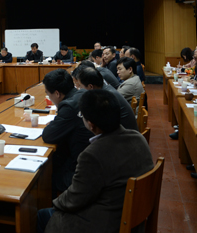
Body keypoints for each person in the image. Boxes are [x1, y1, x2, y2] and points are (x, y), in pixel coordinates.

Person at [37, 89, 154, 233]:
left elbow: (74, 199)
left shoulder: (92, 155)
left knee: (42, 215)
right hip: (135, 216)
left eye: (82, 115)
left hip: (107, 223)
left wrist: (55, 203)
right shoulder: (139, 138)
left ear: (91, 125)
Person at [41, 69, 92, 196]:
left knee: (45, 176)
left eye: (48, 94)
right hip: (93, 158)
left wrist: (55, 123)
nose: (49, 97)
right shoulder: (82, 93)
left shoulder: (68, 107)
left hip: (82, 171)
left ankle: (53, 206)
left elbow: (48, 136)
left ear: (57, 93)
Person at [76, 66, 138, 131]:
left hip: (125, 134)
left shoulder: (105, 98)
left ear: (90, 86)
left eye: (80, 86)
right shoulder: (104, 88)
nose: (79, 89)